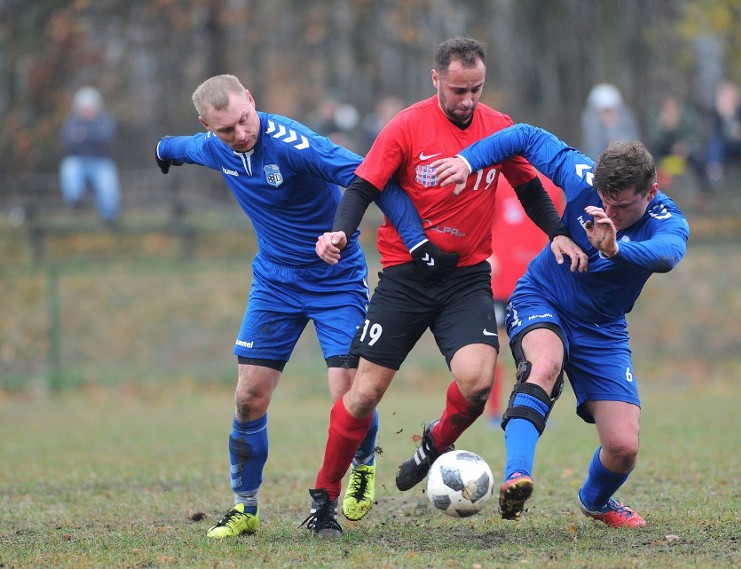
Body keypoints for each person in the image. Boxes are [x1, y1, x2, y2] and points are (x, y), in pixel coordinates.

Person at [154, 74, 456, 539]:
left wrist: (415, 242)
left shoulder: (296, 145)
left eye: (243, 120)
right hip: (274, 283)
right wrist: (161, 152)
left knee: (348, 391)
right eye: (226, 130)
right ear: (208, 127)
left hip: (335, 280)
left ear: (252, 101)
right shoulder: (213, 147)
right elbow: (176, 146)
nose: (240, 134)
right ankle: (245, 508)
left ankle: (360, 464)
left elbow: (372, 178)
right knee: (248, 397)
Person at [305, 37, 579, 538]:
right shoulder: (407, 126)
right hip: (405, 278)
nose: (468, 100)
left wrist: (559, 232)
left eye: (476, 89)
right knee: (363, 393)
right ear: (436, 80)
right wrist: (341, 230)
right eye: (458, 90)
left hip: (466, 278)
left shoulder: (497, 128)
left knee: (478, 382)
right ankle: (323, 496)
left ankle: (433, 442)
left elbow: (528, 188)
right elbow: (364, 185)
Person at [430, 124, 689, 528]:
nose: (611, 213)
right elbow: (524, 136)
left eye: (622, 207)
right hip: (542, 297)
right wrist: (467, 160)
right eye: (606, 202)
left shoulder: (666, 218)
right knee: (544, 365)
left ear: (650, 192)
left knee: (623, 447)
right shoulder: (580, 174)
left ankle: (596, 501)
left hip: (603, 328)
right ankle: (517, 475)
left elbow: (668, 254)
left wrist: (616, 248)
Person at [487, 174, 564, 425]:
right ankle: (495, 412)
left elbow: (557, 231)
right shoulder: (496, 181)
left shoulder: (552, 186)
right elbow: (481, 222)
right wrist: (486, 255)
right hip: (499, 279)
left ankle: (533, 410)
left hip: (535, 281)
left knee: (537, 351)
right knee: (495, 348)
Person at [59, 86, 121, 224]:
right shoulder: (72, 122)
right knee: (69, 168)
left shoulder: (105, 121)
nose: (87, 111)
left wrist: (83, 136)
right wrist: (90, 136)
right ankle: (75, 203)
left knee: (107, 180)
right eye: (84, 108)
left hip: (101, 162)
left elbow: (105, 139)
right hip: (78, 161)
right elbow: (68, 142)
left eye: (89, 107)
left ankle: (109, 218)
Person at [704, 80, 741, 192]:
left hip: (740, 144)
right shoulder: (716, 114)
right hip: (725, 146)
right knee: (715, 142)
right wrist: (724, 116)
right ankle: (714, 171)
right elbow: (714, 131)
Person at [648, 94, 708, 199]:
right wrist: (665, 129)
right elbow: (655, 141)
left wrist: (685, 145)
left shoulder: (687, 118)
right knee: (650, 159)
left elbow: (694, 136)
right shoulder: (657, 120)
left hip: (685, 150)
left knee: (699, 157)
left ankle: (703, 194)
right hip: (665, 150)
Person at [581, 83, 640, 160]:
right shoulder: (593, 135)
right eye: (605, 112)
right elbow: (593, 152)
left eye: (610, 111)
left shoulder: (627, 130)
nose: (608, 116)